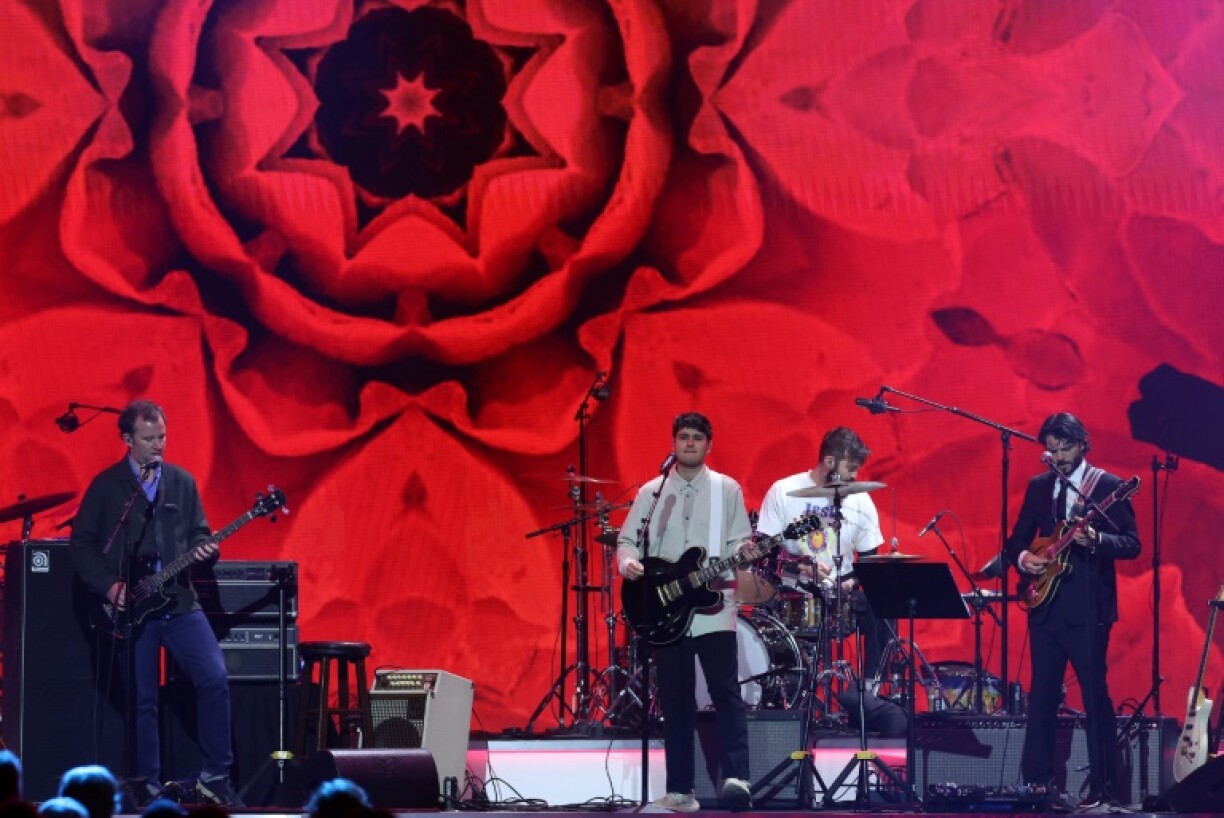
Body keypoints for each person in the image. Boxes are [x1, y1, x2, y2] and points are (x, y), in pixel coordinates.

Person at [69, 400, 242, 808]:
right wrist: (110, 587)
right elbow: (82, 545)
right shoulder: (108, 486)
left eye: (162, 436)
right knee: (143, 697)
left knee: (214, 678)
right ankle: (147, 782)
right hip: (133, 610)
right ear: (128, 440)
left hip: (180, 602)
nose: (158, 445)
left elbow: (200, 534)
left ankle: (215, 776)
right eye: (149, 439)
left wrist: (205, 550)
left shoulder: (182, 482)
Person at [617, 412, 756, 812]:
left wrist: (747, 552)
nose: (690, 443)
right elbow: (626, 541)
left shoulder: (727, 490)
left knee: (726, 693)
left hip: (714, 609)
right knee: (675, 701)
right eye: (683, 437)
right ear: (673, 443)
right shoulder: (652, 491)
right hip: (665, 611)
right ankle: (681, 790)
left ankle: (736, 778)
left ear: (708, 445)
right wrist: (628, 563)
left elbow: (740, 542)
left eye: (697, 438)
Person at [1004, 412, 1140, 809]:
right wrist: (1025, 558)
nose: (1057, 457)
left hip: (1088, 609)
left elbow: (1132, 544)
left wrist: (1096, 538)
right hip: (1044, 606)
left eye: (1064, 449)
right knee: (1041, 697)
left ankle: (1104, 788)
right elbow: (1015, 540)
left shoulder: (1109, 487)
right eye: (1051, 450)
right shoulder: (1038, 486)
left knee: (1096, 698)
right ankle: (1038, 785)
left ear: (1082, 444)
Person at [755, 427, 890, 680]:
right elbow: (764, 555)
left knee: (883, 603)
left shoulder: (860, 500)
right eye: (850, 468)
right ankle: (789, 689)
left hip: (840, 592)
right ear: (829, 462)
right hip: (794, 589)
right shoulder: (783, 491)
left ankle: (872, 688)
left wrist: (852, 581)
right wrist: (799, 568)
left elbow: (870, 561)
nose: (855, 475)